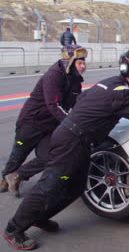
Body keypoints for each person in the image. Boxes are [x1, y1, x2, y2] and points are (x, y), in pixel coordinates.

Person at [2, 49, 129, 250]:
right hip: (71, 142)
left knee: (75, 187)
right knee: (48, 187)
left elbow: (82, 100)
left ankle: (39, 218)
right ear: (127, 68)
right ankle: (14, 229)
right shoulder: (121, 94)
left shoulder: (109, 83)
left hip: (77, 139)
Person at [0, 45, 87, 198]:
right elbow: (53, 105)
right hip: (31, 123)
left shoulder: (75, 81)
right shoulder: (53, 76)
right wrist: (70, 124)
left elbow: (77, 103)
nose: (83, 66)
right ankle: (5, 180)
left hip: (50, 126)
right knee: (17, 156)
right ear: (70, 63)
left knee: (49, 156)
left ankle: (18, 176)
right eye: (80, 63)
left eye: (84, 63)